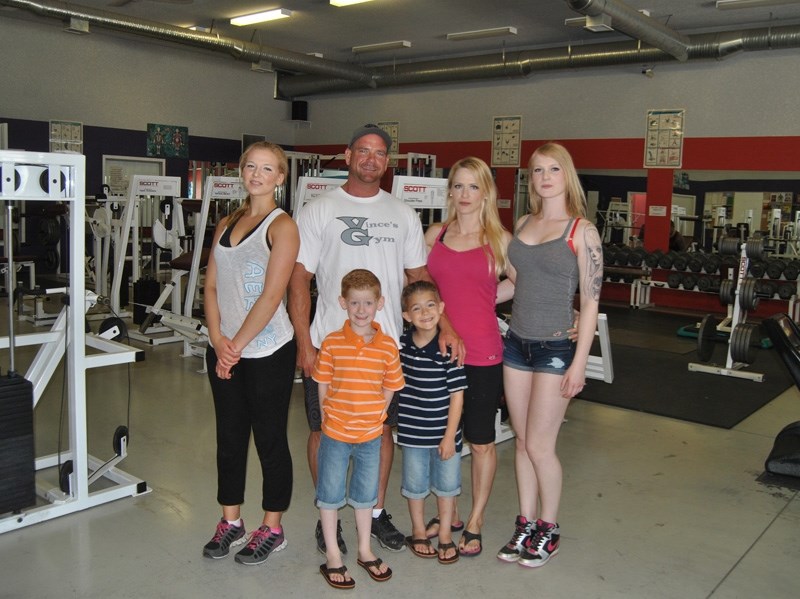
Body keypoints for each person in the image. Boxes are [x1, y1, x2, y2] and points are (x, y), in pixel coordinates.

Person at [288, 124, 463, 555]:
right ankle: (326, 514)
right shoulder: (319, 209)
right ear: (347, 156)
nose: (371, 159)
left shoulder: (402, 213)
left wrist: (447, 325)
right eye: (363, 151)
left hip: (386, 348)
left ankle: (378, 511)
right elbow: (298, 281)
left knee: (380, 429)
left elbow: (419, 280)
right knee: (323, 431)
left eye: (380, 153)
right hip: (330, 346)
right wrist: (304, 346)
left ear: (388, 162)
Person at [496, 142, 602, 569]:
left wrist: (579, 362)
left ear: (566, 175)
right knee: (522, 441)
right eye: (537, 170)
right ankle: (525, 522)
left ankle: (549, 528)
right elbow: (517, 284)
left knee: (541, 445)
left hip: (556, 347)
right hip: (516, 343)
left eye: (553, 169)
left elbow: (591, 302)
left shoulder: (582, 231)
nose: (544, 177)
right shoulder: (523, 222)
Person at [202, 141, 299, 566]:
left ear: (280, 177)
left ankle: (272, 527)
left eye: (267, 168)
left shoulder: (283, 226)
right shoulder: (226, 221)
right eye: (250, 167)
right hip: (224, 348)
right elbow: (210, 287)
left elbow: (273, 294)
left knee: (270, 439)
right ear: (242, 172)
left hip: (267, 351)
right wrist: (218, 338)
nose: (256, 174)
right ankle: (231, 521)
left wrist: (235, 346)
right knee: (229, 438)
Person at [423, 156, 513, 557]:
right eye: (457, 186)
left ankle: (474, 520)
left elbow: (521, 284)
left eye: (472, 187)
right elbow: (419, 286)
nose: (464, 195)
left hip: (481, 352)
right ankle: (452, 513)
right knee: (444, 440)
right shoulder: (434, 235)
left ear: (486, 192)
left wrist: (489, 300)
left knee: (479, 441)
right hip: (436, 352)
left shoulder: (501, 240)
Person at [314, 269, 405, 589]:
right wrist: (327, 413)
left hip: (370, 436)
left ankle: (365, 550)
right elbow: (322, 381)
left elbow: (392, 384)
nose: (361, 310)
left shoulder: (387, 346)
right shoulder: (332, 342)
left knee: (365, 496)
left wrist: (380, 409)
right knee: (329, 495)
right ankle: (334, 556)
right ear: (343, 302)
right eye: (355, 303)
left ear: (380, 303)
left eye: (368, 303)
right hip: (336, 433)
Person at [397, 281, 467, 565]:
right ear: (406, 316)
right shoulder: (401, 345)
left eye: (430, 305)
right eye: (416, 308)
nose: (424, 312)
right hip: (412, 434)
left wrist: (450, 436)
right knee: (414, 486)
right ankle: (418, 532)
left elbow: (457, 397)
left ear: (441, 309)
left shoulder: (447, 348)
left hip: (444, 435)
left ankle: (447, 534)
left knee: (447, 487)